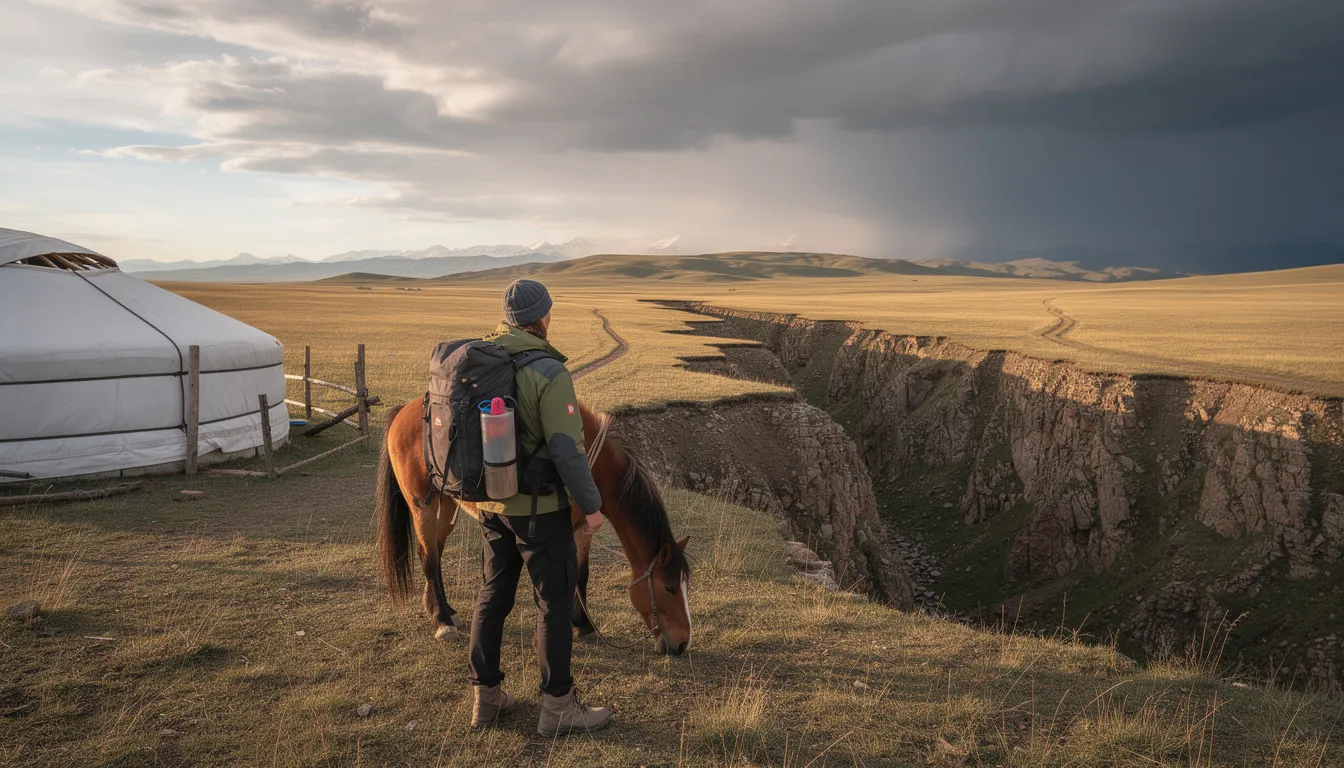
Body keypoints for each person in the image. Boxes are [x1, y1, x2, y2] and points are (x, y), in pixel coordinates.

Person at [468, 278, 612, 735]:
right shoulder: (548, 372)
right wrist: (592, 507)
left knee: (492, 598)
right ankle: (557, 710)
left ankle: (486, 702)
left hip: (490, 503)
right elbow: (568, 451)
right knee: (553, 603)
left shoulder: (481, 358)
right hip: (538, 509)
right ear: (543, 317)